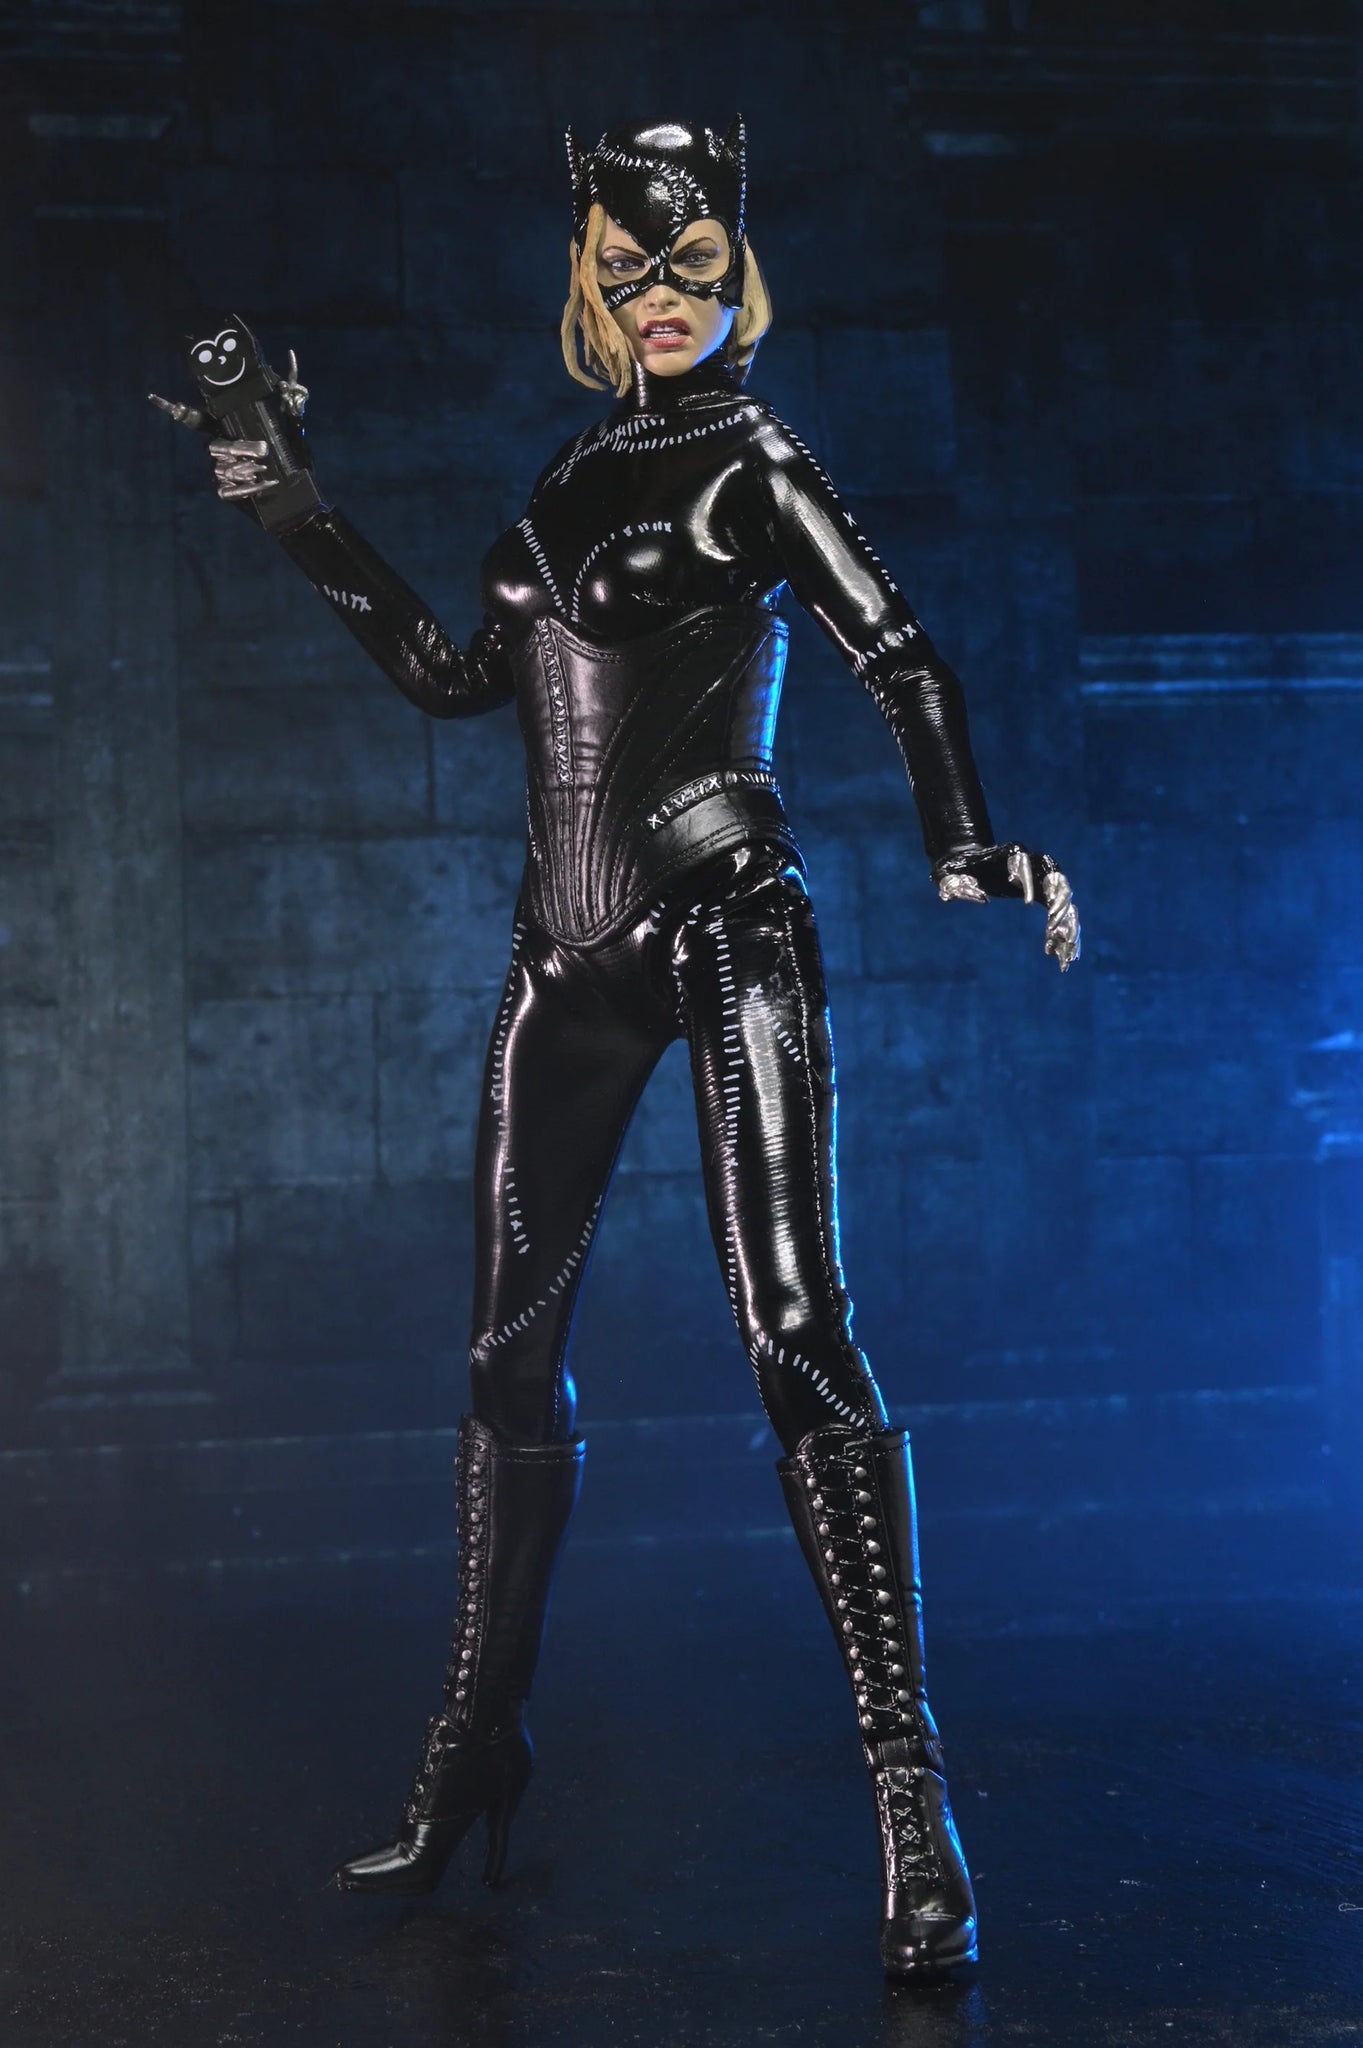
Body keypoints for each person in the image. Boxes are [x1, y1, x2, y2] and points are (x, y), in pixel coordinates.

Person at [154, 116, 1078, 1979]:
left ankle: (916, 1807)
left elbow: (899, 651)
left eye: (694, 264)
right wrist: (290, 505)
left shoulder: (756, 456)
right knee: (505, 1359)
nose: (663, 297)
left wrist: (965, 839)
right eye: (628, 268)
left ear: (739, 270)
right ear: (588, 278)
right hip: (558, 956)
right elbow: (448, 676)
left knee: (796, 1332)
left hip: (731, 918)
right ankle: (475, 1749)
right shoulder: (568, 476)